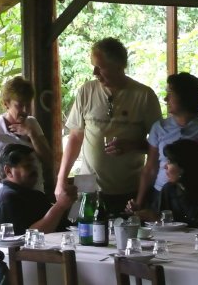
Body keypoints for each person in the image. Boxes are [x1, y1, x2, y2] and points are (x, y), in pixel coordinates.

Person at [55, 37, 162, 216]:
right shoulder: (86, 91)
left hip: (130, 189)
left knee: (127, 239)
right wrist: (60, 179)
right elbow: (75, 138)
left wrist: (133, 145)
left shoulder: (144, 96)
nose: (95, 72)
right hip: (87, 188)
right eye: (93, 66)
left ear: (119, 66)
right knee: (85, 239)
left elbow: (159, 146)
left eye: (100, 67)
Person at [127, 72, 198, 213]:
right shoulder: (159, 127)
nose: (165, 99)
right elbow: (150, 169)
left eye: (170, 94)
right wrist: (139, 203)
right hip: (163, 194)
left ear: (185, 95)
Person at [0, 76, 52, 208]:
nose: (25, 110)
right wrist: (14, 174)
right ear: (6, 103)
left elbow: (49, 159)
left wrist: (32, 134)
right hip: (4, 202)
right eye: (20, 105)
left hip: (34, 197)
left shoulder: (32, 123)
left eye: (28, 104)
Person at [0, 144, 77, 235]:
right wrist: (60, 206)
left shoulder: (35, 195)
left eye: (34, 165)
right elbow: (28, 238)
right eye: (27, 166)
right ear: (8, 171)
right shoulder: (7, 201)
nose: (34, 169)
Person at [133, 139, 198, 229]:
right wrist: (140, 213)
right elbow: (157, 219)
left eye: (169, 162)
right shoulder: (169, 189)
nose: (164, 166)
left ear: (184, 167)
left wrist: (158, 219)